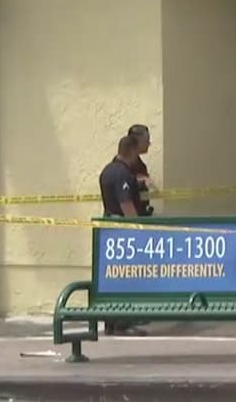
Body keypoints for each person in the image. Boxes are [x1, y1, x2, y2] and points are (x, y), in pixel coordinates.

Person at [97, 135, 147, 336]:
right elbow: (126, 205)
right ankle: (122, 322)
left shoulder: (107, 170)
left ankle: (111, 321)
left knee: (113, 276)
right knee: (127, 276)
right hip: (123, 233)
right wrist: (140, 230)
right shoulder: (123, 173)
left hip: (110, 230)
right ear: (132, 151)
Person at [127, 124, 156, 217]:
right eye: (146, 141)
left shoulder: (140, 164)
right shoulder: (123, 164)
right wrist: (139, 180)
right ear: (136, 142)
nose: (149, 144)